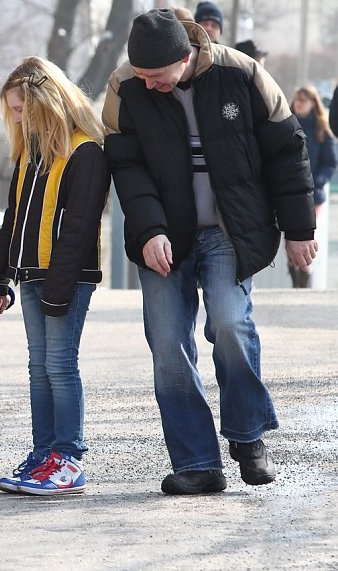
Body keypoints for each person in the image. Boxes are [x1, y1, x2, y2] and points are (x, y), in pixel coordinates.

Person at [102, 9, 318, 495]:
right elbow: (127, 168)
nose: (149, 84)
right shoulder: (124, 89)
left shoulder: (241, 72)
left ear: (185, 57)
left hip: (230, 228)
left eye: (156, 76)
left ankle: (247, 436)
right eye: (141, 76)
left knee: (229, 321)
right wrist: (151, 229)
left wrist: (299, 228)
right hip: (162, 235)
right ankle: (197, 462)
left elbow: (288, 151)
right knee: (168, 345)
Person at [0, 56, 110, 496]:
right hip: (30, 275)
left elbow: (78, 229)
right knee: (39, 367)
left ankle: (68, 459)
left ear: (44, 103)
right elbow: (12, 217)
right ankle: (44, 455)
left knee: (59, 365)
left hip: (66, 280)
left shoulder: (85, 151)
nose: (16, 118)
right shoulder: (30, 154)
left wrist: (58, 289)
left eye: (21, 109)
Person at [289, 86, 336, 287]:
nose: (299, 104)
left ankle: (303, 282)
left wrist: (318, 183)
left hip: (313, 195)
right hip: (288, 192)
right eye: (297, 100)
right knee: (289, 237)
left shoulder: (321, 129)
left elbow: (330, 162)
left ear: (312, 103)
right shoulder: (285, 124)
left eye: (304, 100)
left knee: (306, 237)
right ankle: (295, 279)